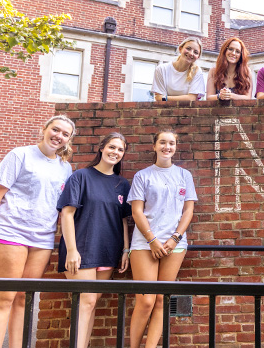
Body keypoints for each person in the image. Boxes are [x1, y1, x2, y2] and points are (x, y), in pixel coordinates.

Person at [0, 115, 75, 348]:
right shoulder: (20, 155)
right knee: (4, 296)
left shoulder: (65, 168)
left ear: (68, 140)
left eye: (65, 134)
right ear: (44, 129)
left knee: (23, 298)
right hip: (8, 234)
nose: (59, 136)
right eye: (55, 130)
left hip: (41, 240)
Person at [57, 132, 132, 348]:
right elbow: (67, 213)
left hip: (109, 250)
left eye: (120, 150)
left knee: (91, 304)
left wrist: (126, 250)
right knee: (86, 301)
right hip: (81, 249)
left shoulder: (122, 184)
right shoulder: (80, 176)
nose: (115, 152)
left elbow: (123, 220)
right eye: (112, 147)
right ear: (101, 148)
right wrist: (72, 250)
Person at [128, 129, 197, 348]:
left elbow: (188, 211)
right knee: (146, 300)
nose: (167, 147)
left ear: (175, 147)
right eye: (162, 142)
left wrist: (175, 238)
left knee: (161, 300)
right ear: (154, 146)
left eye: (171, 143)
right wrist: (152, 240)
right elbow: (137, 212)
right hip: (145, 243)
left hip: (174, 245)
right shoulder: (143, 175)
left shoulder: (184, 175)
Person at [152, 36, 206, 101]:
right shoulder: (161, 69)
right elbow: (158, 98)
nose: (191, 53)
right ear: (180, 49)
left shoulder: (197, 72)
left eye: (196, 52)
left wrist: (166, 98)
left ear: (198, 57)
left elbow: (192, 99)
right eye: (188, 48)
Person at [206, 36, 255, 101]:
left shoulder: (246, 71)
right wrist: (219, 96)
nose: (233, 53)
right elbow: (209, 97)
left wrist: (230, 95)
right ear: (225, 50)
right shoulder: (213, 71)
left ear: (241, 55)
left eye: (237, 51)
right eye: (231, 49)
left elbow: (248, 98)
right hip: (217, 110)